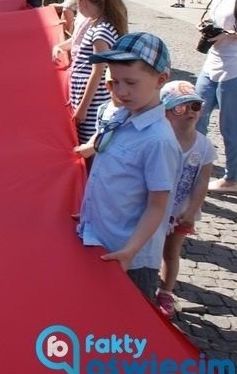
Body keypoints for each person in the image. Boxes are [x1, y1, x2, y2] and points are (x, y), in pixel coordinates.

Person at [77, 32, 180, 301]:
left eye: (131, 83)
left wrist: (131, 250)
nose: (121, 92)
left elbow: (157, 205)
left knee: (123, 329)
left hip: (129, 258)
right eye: (115, 82)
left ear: (160, 80)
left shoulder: (158, 140)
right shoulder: (122, 116)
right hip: (99, 238)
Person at [155, 80, 215, 318]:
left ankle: (166, 292)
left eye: (195, 106)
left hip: (182, 210)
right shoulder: (158, 139)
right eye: (180, 108)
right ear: (165, 112)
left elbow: (202, 181)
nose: (189, 112)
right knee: (147, 247)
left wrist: (191, 212)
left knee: (171, 252)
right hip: (153, 207)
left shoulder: (205, 146)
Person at [195, 0, 237, 193]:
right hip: (212, 63)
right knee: (193, 115)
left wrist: (231, 35)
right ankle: (192, 166)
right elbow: (213, 18)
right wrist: (205, 24)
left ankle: (233, 179)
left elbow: (235, 30)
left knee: (231, 127)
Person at [54, 0, 128, 146]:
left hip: (93, 103)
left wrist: (83, 107)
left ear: (83, 2)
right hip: (86, 98)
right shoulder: (96, 24)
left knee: (89, 144)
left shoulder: (101, 32)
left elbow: (98, 71)